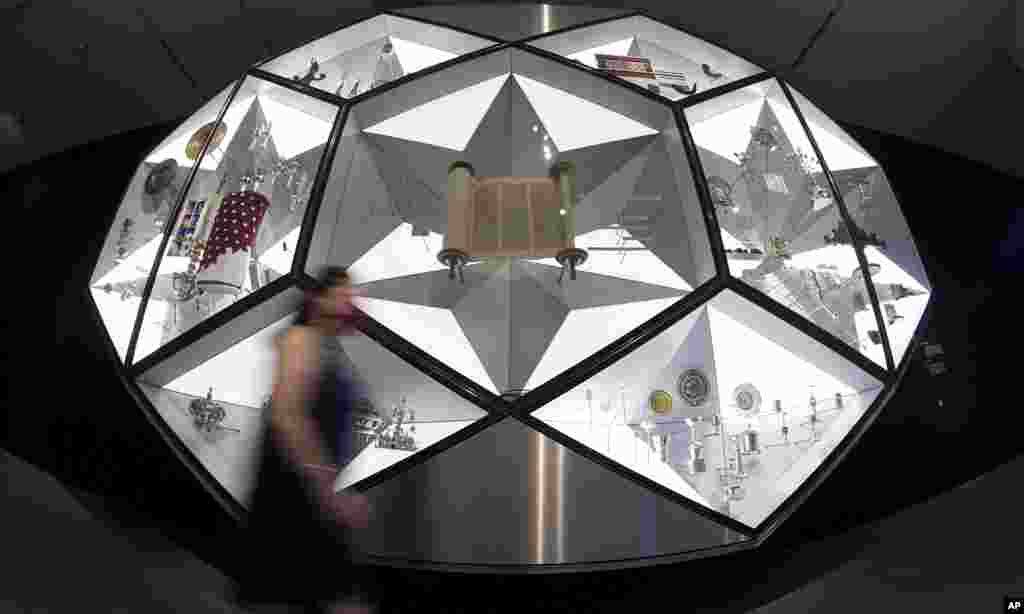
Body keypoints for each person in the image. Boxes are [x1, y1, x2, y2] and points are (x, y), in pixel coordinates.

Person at [235, 267, 374, 614]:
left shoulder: (330, 346)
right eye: (342, 294)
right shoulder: (301, 338)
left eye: (351, 296)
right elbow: (287, 415)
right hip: (298, 489)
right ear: (318, 298)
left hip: (314, 489)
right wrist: (326, 488)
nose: (350, 302)